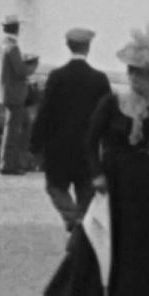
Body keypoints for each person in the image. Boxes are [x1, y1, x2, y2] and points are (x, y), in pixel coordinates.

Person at [44, 24, 149, 296]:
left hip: (141, 181)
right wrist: (97, 174)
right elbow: (91, 140)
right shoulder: (112, 103)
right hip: (113, 177)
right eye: (140, 74)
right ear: (130, 74)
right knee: (102, 238)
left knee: (139, 243)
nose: (145, 79)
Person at [28, 28, 111, 231]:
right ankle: (81, 223)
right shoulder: (100, 79)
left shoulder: (57, 77)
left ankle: (72, 218)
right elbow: (109, 118)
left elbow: (45, 113)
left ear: (68, 45)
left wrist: (35, 144)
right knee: (86, 193)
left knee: (55, 187)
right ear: (89, 47)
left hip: (59, 148)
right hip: (87, 151)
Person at [0, 15, 38, 175]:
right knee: (12, 131)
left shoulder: (1, 46)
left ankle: (16, 161)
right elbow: (21, 71)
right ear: (17, 29)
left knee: (20, 126)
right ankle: (7, 165)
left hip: (5, 93)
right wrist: (32, 68)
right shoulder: (13, 47)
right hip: (15, 96)